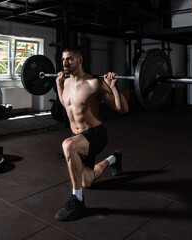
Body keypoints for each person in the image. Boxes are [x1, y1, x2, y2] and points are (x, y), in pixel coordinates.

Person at [54, 47, 129, 221]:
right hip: (78, 136)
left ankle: (77, 200)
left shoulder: (93, 83)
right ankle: (114, 159)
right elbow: (66, 104)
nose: (65, 63)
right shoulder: (64, 83)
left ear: (80, 60)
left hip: (96, 134)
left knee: (68, 145)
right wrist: (58, 85)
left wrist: (113, 87)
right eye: (63, 59)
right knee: (86, 182)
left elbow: (122, 109)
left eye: (70, 59)